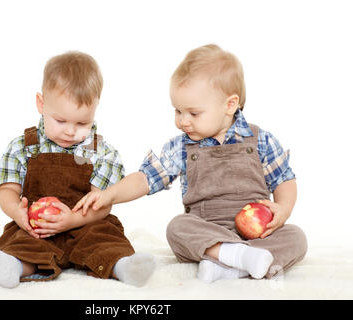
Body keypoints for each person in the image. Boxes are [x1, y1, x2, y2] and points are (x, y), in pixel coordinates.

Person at [73, 44, 307, 283]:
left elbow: (284, 179)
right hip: (206, 229)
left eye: (193, 113)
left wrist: (284, 208)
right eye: (177, 111)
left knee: (296, 237)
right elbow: (145, 178)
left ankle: (230, 267)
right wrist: (109, 195)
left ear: (229, 105)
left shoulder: (261, 140)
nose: (183, 121)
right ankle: (234, 256)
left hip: (257, 232)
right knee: (177, 227)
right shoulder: (181, 148)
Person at [0, 51, 155, 288]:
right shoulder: (23, 147)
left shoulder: (103, 153)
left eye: (82, 123)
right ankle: (10, 267)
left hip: (86, 225)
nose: (70, 131)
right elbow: (7, 190)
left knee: (106, 238)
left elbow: (102, 203)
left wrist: (73, 219)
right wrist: (18, 213)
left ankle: (124, 267)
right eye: (61, 121)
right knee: (21, 242)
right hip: (37, 228)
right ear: (41, 103)